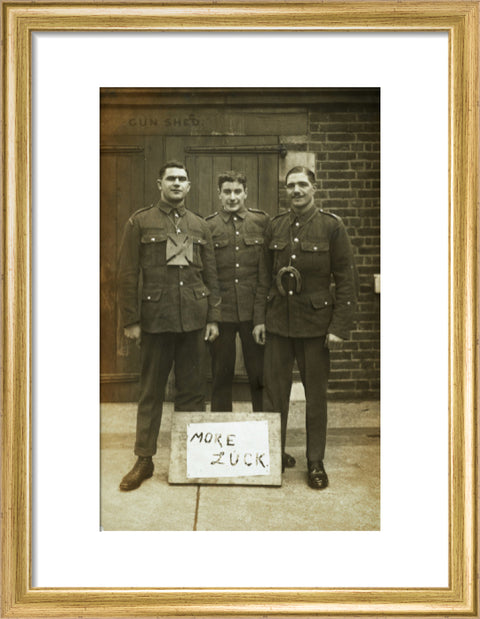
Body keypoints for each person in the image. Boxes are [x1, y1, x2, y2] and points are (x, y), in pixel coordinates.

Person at [117, 160, 221, 491]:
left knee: (192, 392)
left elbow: (211, 276)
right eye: (171, 179)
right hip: (156, 321)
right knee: (150, 392)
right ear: (159, 183)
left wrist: (213, 318)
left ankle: (191, 457)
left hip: (192, 320)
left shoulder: (199, 226)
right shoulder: (140, 222)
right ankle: (144, 459)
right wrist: (132, 320)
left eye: (183, 179)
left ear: (189, 186)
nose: (177, 184)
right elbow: (127, 274)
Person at [255, 166, 357, 489]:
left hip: (316, 327)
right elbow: (263, 278)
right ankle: (273, 456)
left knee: (315, 397)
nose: (296, 190)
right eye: (291, 186)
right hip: (277, 326)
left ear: (314, 188)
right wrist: (259, 319)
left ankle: (315, 462)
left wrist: (339, 325)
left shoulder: (331, 226)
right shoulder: (276, 226)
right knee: (274, 396)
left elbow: (346, 279)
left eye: (302, 185)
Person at [206, 171, 296, 472]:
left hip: (254, 317)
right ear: (219, 194)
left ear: (246, 193)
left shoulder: (262, 222)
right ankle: (219, 451)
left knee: (261, 380)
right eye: (227, 191)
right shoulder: (209, 226)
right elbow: (209, 277)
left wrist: (260, 319)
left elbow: (266, 275)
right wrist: (213, 318)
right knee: (220, 379)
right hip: (221, 317)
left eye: (237, 191)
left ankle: (266, 446)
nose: (232, 197)